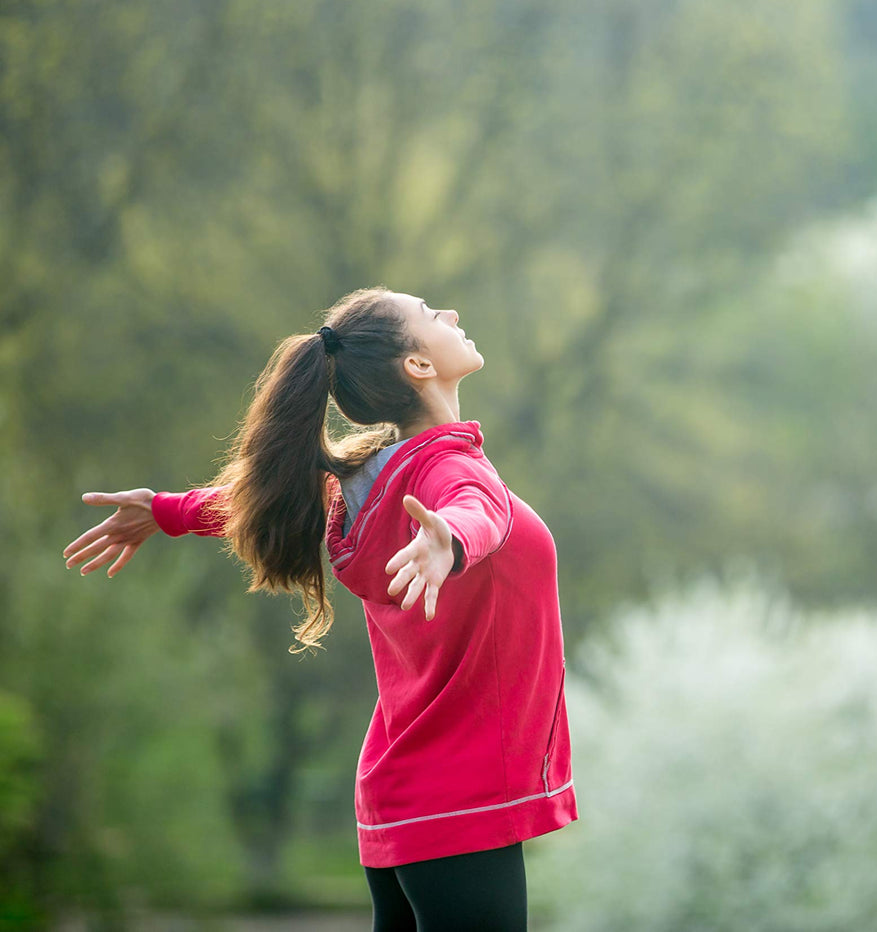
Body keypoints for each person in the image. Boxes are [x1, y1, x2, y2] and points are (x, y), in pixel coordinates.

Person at [60, 286, 576, 932]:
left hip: (406, 801)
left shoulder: (370, 480)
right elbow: (476, 506)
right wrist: (451, 538)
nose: (451, 314)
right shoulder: (446, 469)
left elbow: (265, 497)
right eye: (429, 314)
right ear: (417, 366)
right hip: (456, 805)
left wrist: (165, 511)